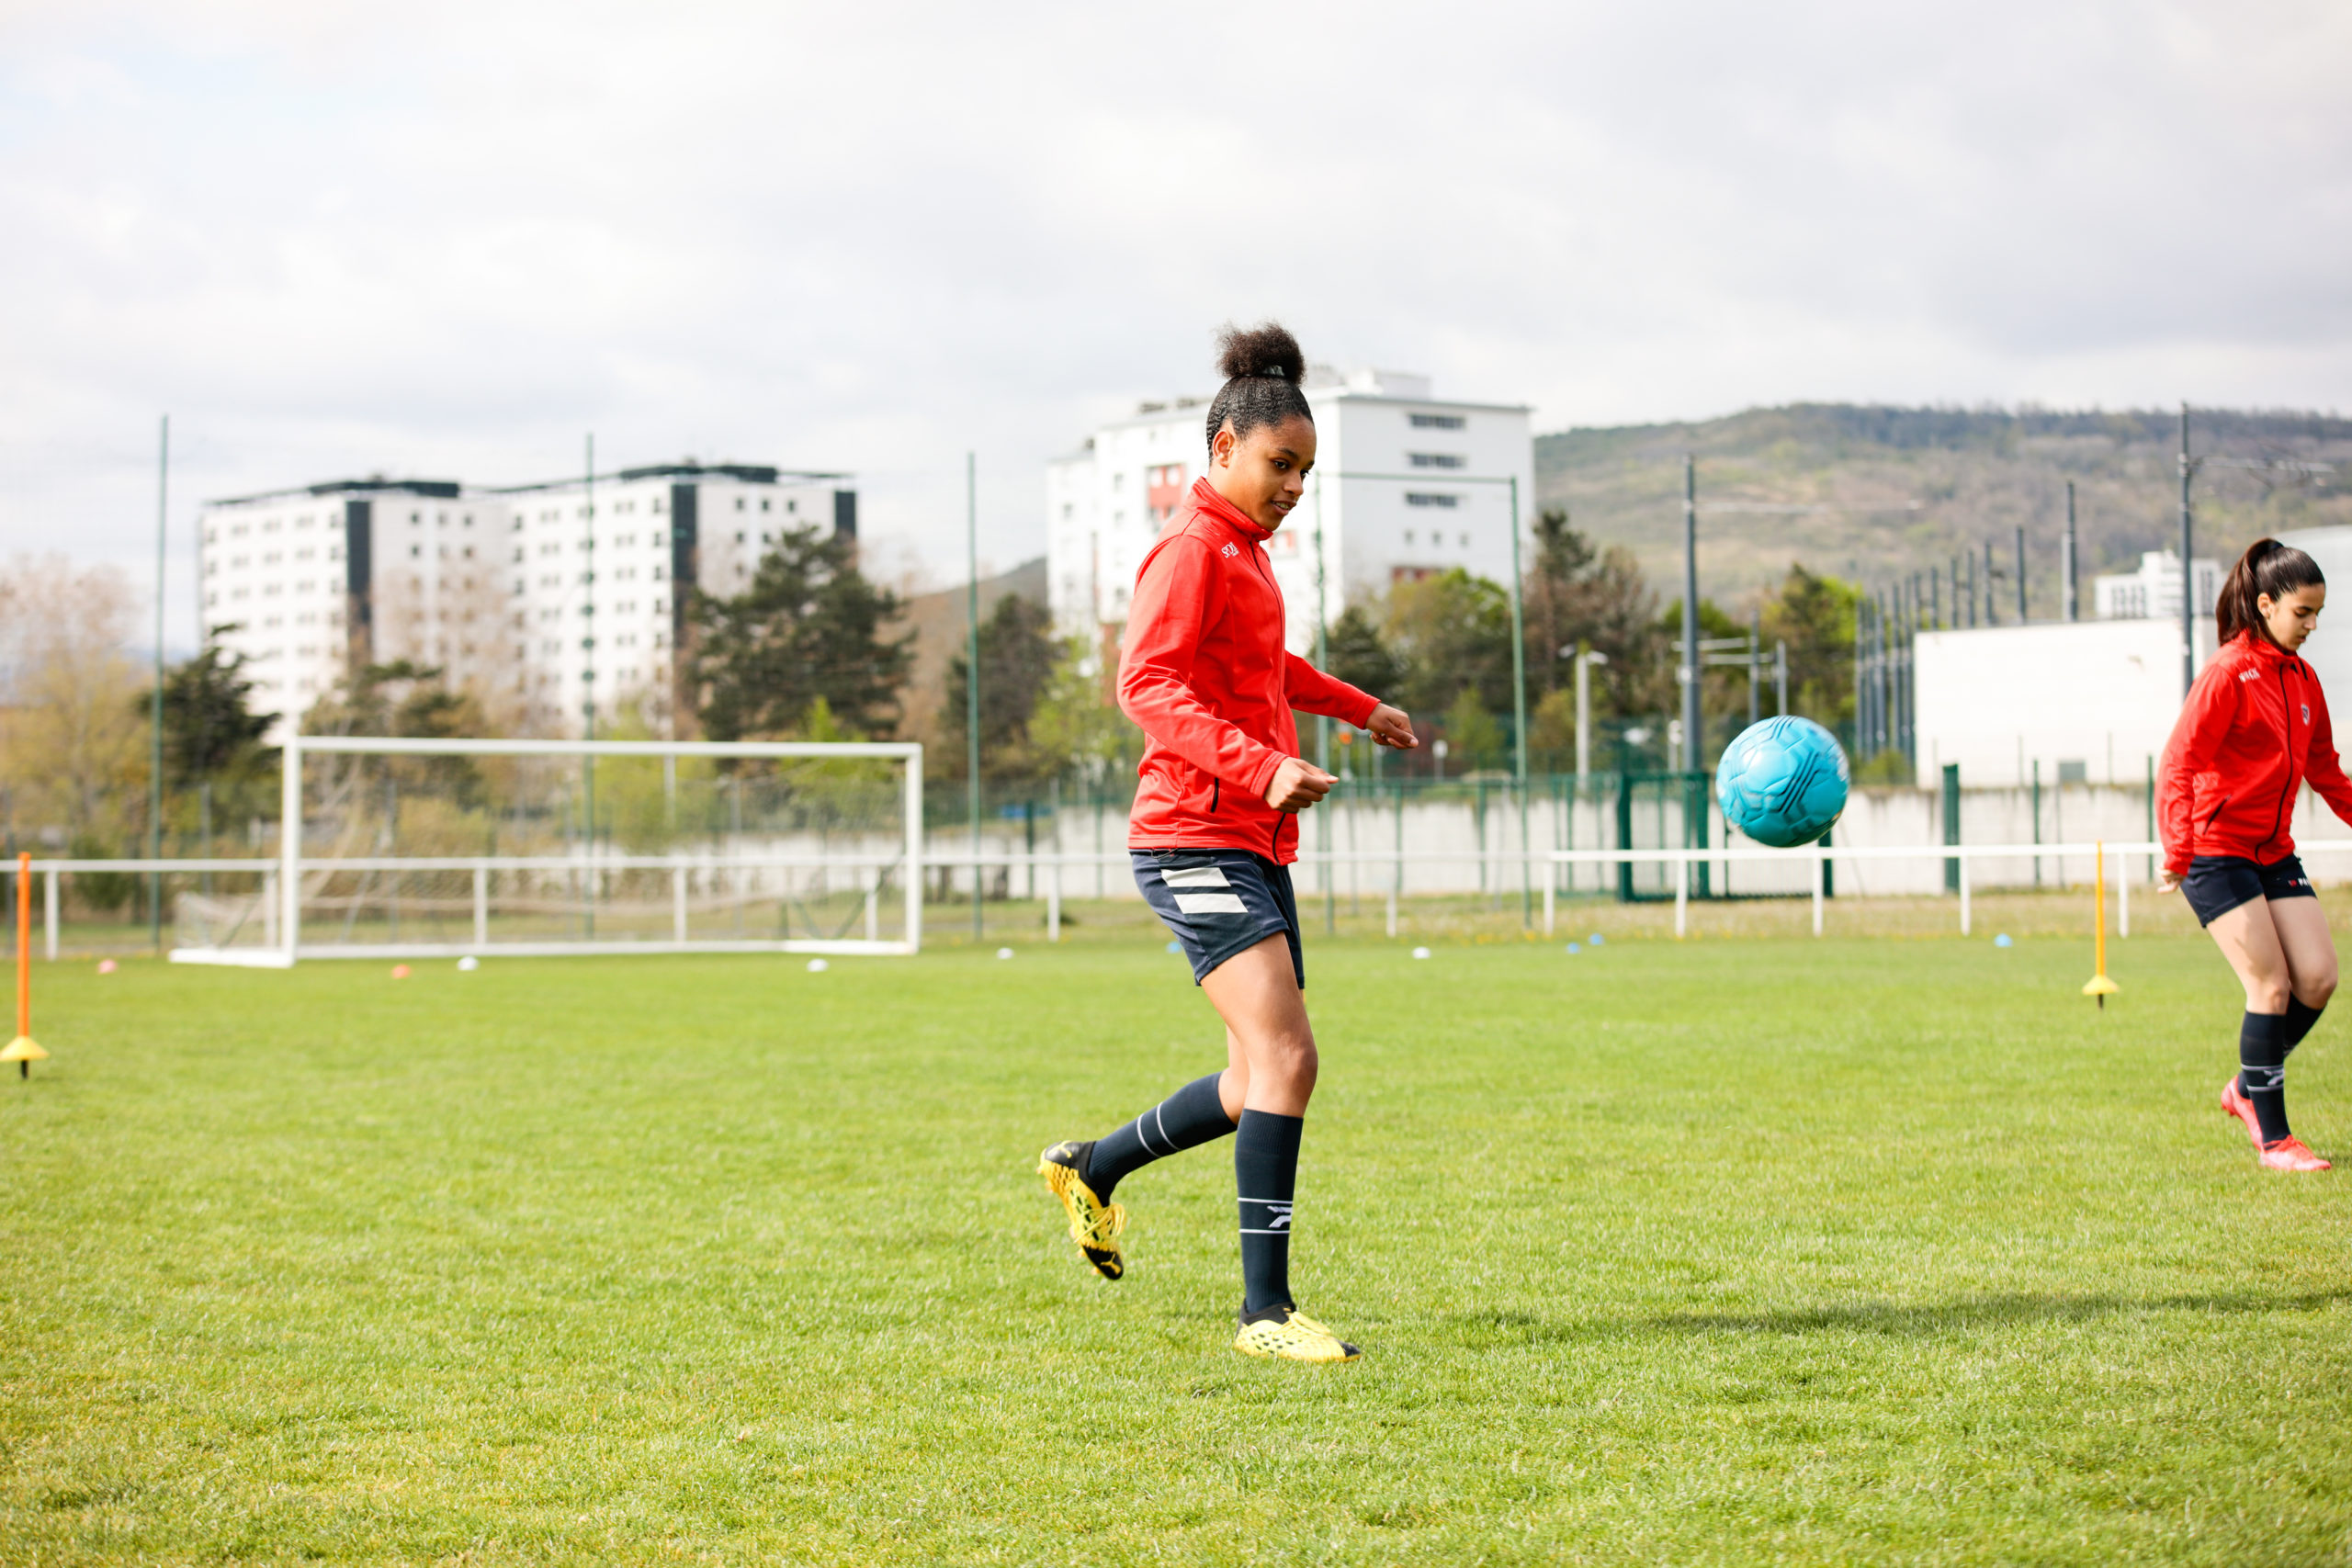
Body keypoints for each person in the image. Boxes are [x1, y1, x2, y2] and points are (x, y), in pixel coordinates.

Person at [1035, 322, 1419, 1361]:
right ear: (1221, 454)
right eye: (1277, 464)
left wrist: (1355, 707)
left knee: (1256, 1078)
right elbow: (1146, 687)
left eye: (1304, 470)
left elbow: (1264, 671)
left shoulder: (1245, 561)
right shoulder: (1190, 552)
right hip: (1190, 837)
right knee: (1290, 1057)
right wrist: (1261, 766)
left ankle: (1092, 1168)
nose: (1293, 485)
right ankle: (1264, 1316)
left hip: (1250, 841)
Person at [2157, 537, 2346, 1172]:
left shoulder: (2302, 678)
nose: (2312, 625)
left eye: (2318, 612)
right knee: (2269, 984)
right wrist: (2178, 848)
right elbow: (2180, 761)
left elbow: (2325, 768)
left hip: (2273, 850)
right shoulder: (2226, 672)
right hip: (2214, 849)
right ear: (2265, 604)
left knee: (2317, 978)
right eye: (2303, 612)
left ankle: (2245, 1086)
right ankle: (2275, 1140)